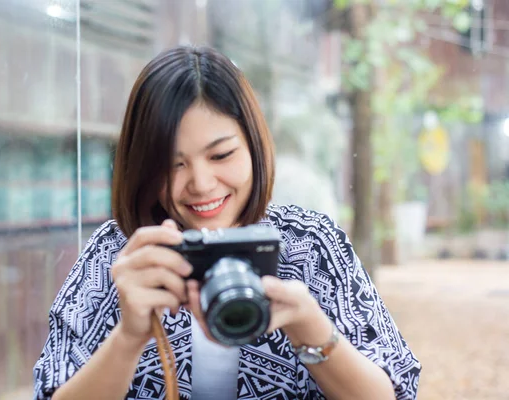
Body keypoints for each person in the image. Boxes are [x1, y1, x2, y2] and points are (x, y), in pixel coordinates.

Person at [33, 45, 421, 400]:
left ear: (254, 146)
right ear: (143, 168)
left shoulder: (310, 246)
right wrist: (129, 336)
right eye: (172, 164)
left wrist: (308, 325)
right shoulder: (120, 255)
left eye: (220, 156)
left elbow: (395, 391)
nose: (200, 184)